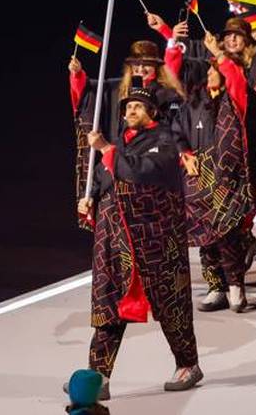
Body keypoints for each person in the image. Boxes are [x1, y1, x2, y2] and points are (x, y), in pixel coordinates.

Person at [75, 80, 202, 395]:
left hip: (155, 242)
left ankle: (188, 364)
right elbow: (108, 178)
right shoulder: (121, 141)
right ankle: (97, 378)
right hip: (116, 241)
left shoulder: (165, 141)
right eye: (127, 106)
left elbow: (142, 172)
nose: (129, 110)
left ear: (151, 112)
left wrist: (106, 149)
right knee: (108, 307)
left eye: (136, 106)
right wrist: (90, 196)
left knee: (171, 306)